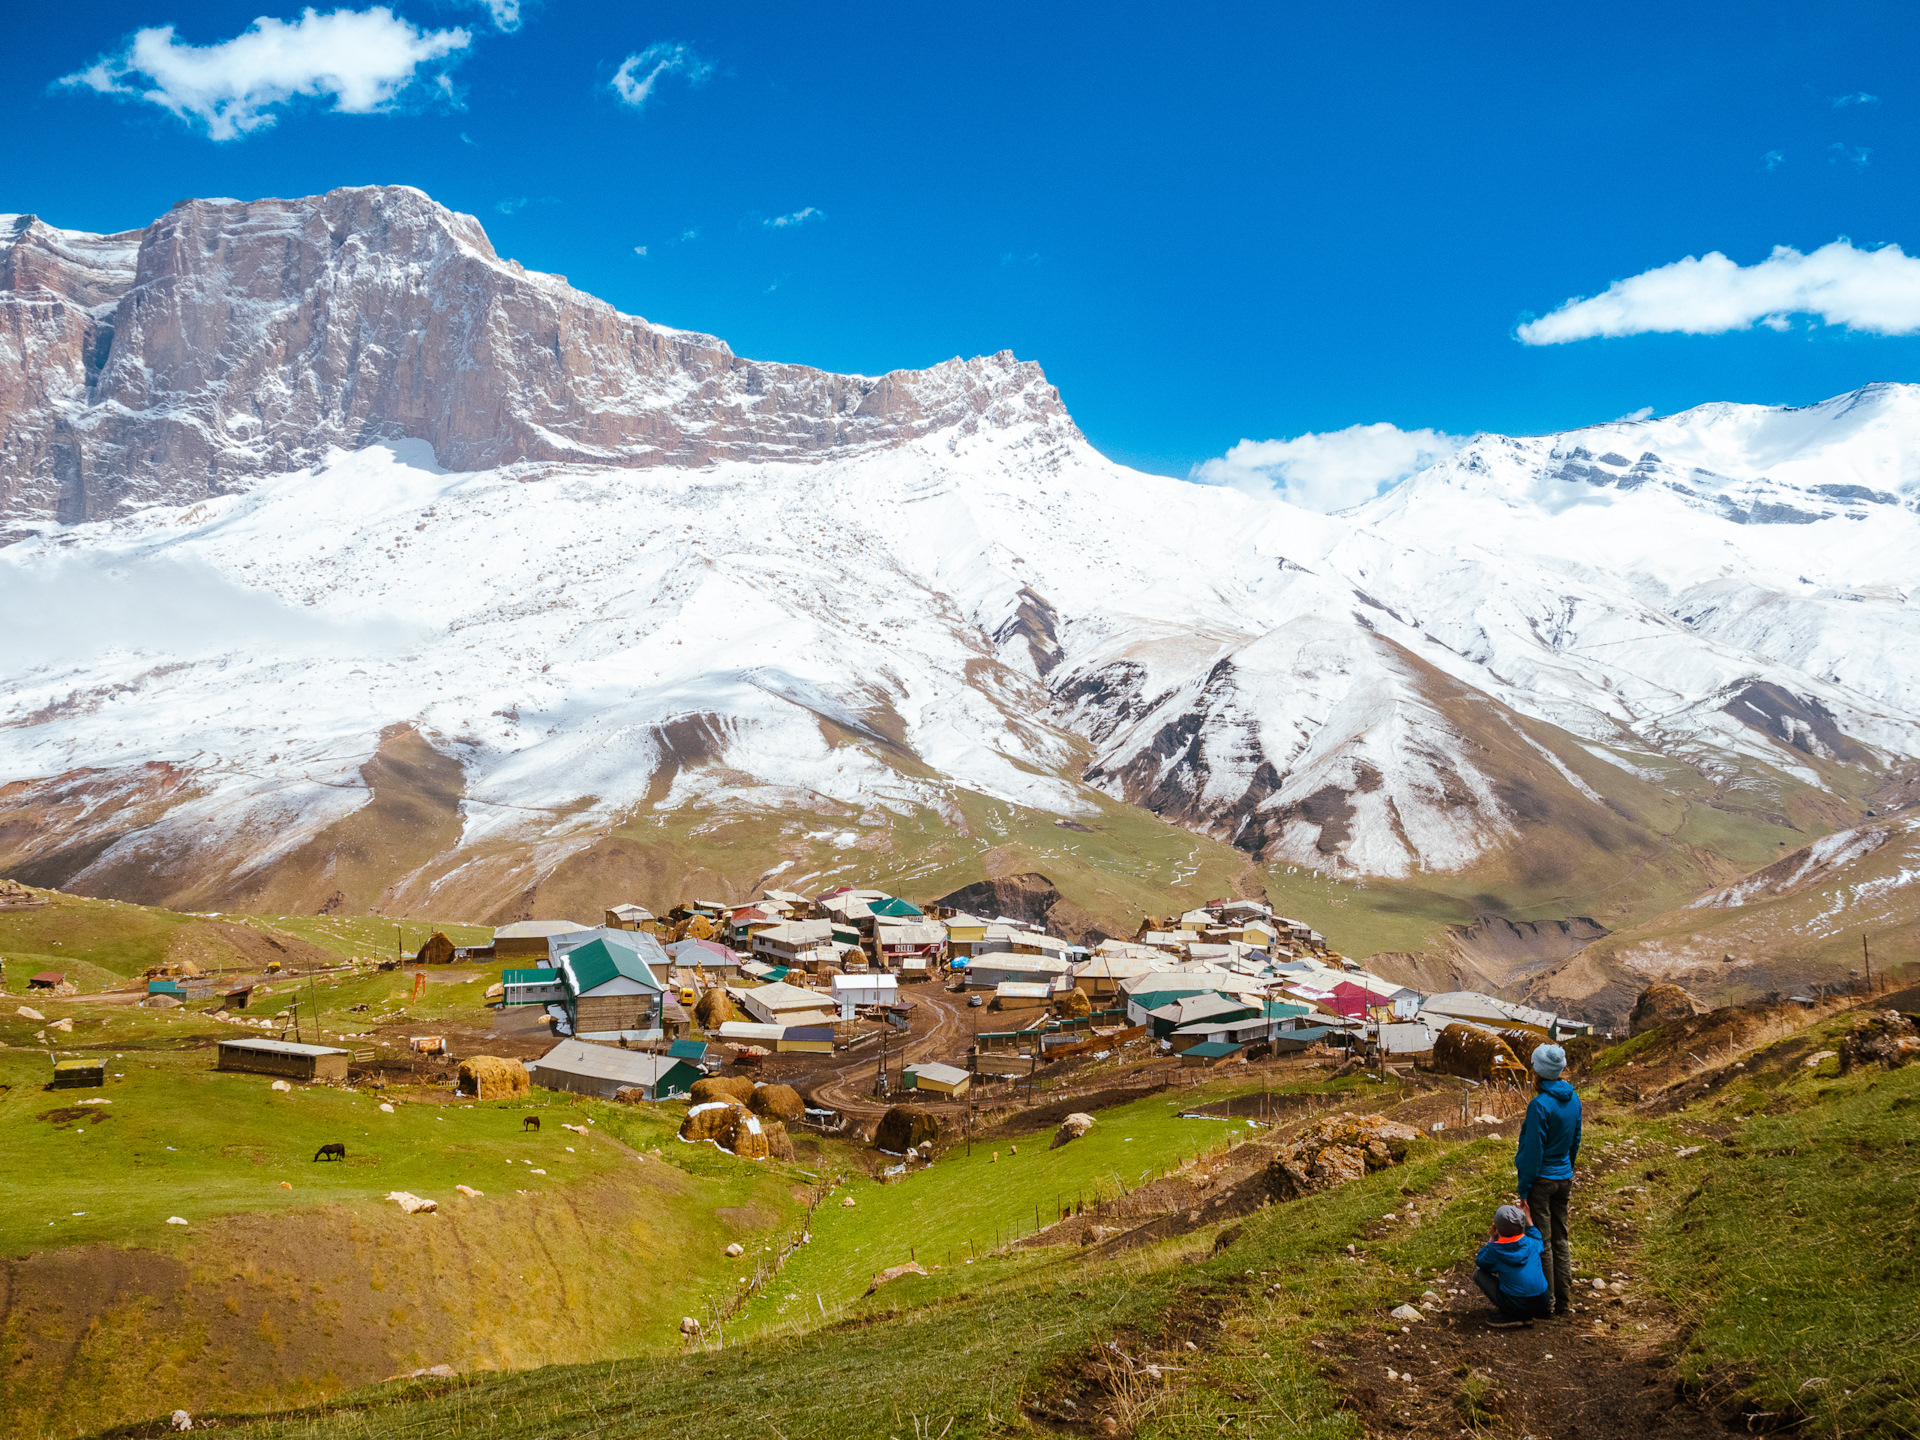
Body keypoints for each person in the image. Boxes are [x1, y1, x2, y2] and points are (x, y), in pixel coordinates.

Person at [1515, 1040, 1582, 1316]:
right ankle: (1564, 1302)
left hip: (1541, 1181)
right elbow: (1575, 1140)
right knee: (1561, 1239)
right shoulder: (1574, 1099)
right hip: (1563, 1177)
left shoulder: (1539, 1105)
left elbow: (1532, 1152)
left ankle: (1548, 1302)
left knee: (1542, 1241)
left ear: (1539, 1072)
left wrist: (1524, 1188)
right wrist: (1568, 1167)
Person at [1473, 1203, 1553, 1322]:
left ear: (1496, 1228)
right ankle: (1541, 1312)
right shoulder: (1531, 1243)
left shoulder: (1495, 1250)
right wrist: (1529, 1219)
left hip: (1517, 1304)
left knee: (1479, 1274)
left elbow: (1481, 1261)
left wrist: (1491, 1240)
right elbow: (1538, 1240)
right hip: (1542, 1301)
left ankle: (1512, 1316)